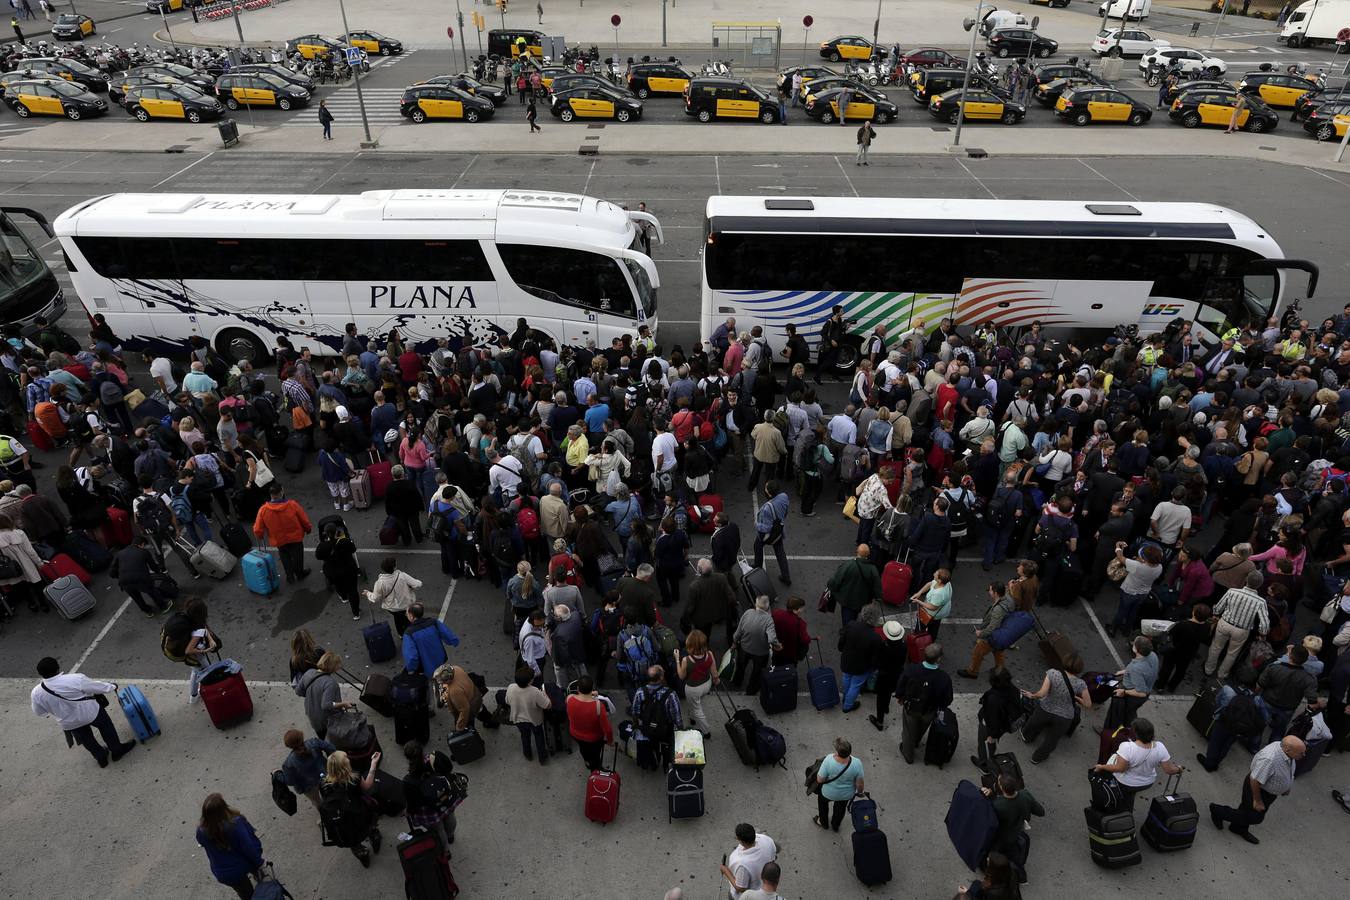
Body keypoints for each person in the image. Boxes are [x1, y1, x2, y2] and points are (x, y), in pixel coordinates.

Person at [30, 657, 135, 768]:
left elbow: (39, 712)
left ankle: (101, 757)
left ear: (40, 674)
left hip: (69, 722)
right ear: (57, 668)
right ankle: (116, 751)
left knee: (87, 739)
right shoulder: (75, 679)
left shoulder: (36, 693)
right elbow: (96, 688)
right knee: (106, 727)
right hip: (90, 712)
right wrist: (112, 686)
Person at [1209, 736, 1306, 844]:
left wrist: (1286, 787)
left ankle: (1238, 828)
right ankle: (1218, 811)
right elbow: (1255, 780)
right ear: (1287, 749)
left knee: (1246, 810)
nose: (1303, 755)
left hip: (1268, 792)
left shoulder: (1286, 751)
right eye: (1300, 753)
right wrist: (1257, 800)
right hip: (1256, 789)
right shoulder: (1270, 759)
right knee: (1255, 817)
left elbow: (1287, 769)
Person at [1092, 717, 1184, 809]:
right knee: (1130, 794)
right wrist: (1179, 769)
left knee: (1124, 798)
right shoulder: (1160, 747)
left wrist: (1102, 767)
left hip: (1125, 782)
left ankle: (1122, 811)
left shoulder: (1127, 747)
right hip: (1146, 783)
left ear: (1135, 733)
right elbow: (1169, 770)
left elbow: (1119, 768)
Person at [1019, 654, 1092, 764]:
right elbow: (1088, 704)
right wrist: (1077, 698)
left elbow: (1042, 693)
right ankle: (1037, 758)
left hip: (1046, 708)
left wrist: (1032, 695)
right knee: (1052, 739)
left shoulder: (1052, 673)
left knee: (1034, 723)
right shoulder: (1081, 684)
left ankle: (1027, 737)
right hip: (1065, 717)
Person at [319, 750, 383, 866]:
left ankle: (362, 855)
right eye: (346, 758)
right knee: (370, 825)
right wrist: (373, 763)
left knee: (353, 841)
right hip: (360, 813)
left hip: (342, 823)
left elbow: (326, 800)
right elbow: (368, 786)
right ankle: (374, 837)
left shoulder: (323, 783)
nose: (349, 759)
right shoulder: (354, 778)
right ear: (345, 765)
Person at [195, 794, 265, 899]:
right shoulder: (235, 824)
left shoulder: (201, 831)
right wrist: (260, 863)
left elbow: (203, 842)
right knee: (259, 875)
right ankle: (260, 879)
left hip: (225, 874)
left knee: (247, 894)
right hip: (243, 863)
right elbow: (248, 847)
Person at [896, 641, 955, 765]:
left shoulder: (911, 670)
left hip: (911, 708)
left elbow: (901, 686)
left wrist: (900, 697)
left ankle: (908, 754)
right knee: (921, 728)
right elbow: (948, 699)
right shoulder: (944, 678)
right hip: (929, 711)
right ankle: (916, 741)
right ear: (939, 659)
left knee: (908, 731)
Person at [1205, 570, 1270, 681]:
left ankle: (1208, 669)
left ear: (1246, 580)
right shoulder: (1261, 601)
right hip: (1241, 630)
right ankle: (1222, 674)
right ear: (1259, 585)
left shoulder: (1232, 591)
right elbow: (1264, 624)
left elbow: (1219, 607)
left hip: (1224, 624)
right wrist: (1263, 634)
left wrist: (1216, 614)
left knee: (1216, 647)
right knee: (1232, 653)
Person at [252, 483, 312, 585]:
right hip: (295, 538)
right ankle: (299, 574)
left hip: (279, 540)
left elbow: (257, 529)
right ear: (281, 492)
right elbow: (304, 520)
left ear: (271, 494)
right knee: (297, 557)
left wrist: (260, 535)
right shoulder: (292, 505)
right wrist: (308, 529)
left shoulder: (263, 510)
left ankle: (290, 577)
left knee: (285, 557)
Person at [981, 771, 1044, 869]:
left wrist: (987, 795)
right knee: (1014, 855)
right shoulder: (1025, 795)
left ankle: (991, 868)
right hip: (1017, 830)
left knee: (995, 853)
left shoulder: (998, 805)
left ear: (1001, 788)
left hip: (1001, 836)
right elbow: (1040, 812)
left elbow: (989, 820)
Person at [402, 741, 457, 850]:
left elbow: (413, 804)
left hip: (429, 810)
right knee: (450, 818)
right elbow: (448, 770)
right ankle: (450, 836)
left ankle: (446, 851)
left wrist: (408, 812)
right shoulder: (434, 760)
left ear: (408, 758)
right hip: (444, 798)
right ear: (422, 752)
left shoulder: (408, 781)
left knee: (438, 830)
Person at [957, 582, 1016, 679]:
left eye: (990, 590)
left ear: (996, 593)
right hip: (1002, 633)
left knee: (978, 652)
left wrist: (981, 633)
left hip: (993, 636)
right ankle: (1000, 671)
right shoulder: (1008, 599)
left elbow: (993, 627)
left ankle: (972, 672)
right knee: (998, 651)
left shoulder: (998, 609)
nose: (989, 592)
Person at [1107, 542, 1163, 637]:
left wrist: (1117, 546)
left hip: (1129, 591)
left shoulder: (1137, 566)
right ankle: (1126, 630)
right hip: (1143, 593)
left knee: (1122, 610)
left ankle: (1113, 628)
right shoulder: (1159, 568)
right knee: (1133, 611)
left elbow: (1120, 557)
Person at [631, 665, 682, 771]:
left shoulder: (640, 692)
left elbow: (635, 712)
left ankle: (654, 760)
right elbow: (676, 715)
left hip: (646, 727)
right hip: (665, 729)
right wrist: (680, 729)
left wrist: (636, 725)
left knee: (650, 744)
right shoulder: (671, 694)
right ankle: (666, 765)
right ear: (661, 678)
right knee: (666, 746)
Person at [1103, 635, 1158, 731]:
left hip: (1131, 695)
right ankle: (1129, 731)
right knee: (1129, 714)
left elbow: (1141, 692)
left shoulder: (1136, 669)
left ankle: (1108, 731)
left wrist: (1123, 692)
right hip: (1142, 696)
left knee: (1116, 713)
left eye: (1134, 644)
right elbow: (1144, 672)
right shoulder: (1153, 655)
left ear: (1137, 650)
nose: (1133, 643)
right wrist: (1126, 671)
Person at [973, 667, 1024, 771]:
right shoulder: (1012, 689)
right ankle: (989, 758)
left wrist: (993, 735)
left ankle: (984, 765)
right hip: (1004, 724)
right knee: (991, 742)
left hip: (990, 725)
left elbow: (992, 720)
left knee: (984, 742)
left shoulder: (993, 699)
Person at [1155, 602, 1212, 692]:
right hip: (1189, 653)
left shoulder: (1183, 624)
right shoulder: (1206, 627)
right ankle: (1172, 687)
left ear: (1194, 613)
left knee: (1166, 668)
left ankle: (1160, 686)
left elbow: (1171, 633)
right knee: (1180, 671)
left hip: (1174, 650)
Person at [295, 651, 352, 739]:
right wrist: (344, 704)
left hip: (312, 715)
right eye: (338, 665)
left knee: (323, 740)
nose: (339, 667)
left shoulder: (309, 672)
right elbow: (326, 705)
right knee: (334, 742)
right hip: (326, 721)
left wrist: (313, 695)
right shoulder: (330, 683)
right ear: (333, 667)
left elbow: (298, 691)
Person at [111, 535, 172, 617]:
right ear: (141, 544)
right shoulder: (144, 552)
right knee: (151, 591)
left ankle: (148, 611)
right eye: (144, 546)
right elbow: (153, 567)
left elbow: (111, 572)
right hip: (141, 579)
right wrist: (160, 572)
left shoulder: (120, 553)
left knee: (136, 597)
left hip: (124, 582)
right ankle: (163, 606)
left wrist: (121, 576)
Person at [812, 736, 864, 832]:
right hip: (845, 795)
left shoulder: (828, 760)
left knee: (823, 804)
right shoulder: (857, 763)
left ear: (837, 752)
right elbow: (860, 785)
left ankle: (823, 822)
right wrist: (860, 792)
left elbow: (819, 780)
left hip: (827, 793)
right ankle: (835, 825)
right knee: (840, 809)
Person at [731, 595, 780, 695]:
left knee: (741, 666)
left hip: (744, 648)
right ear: (767, 607)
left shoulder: (747, 613)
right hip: (761, 653)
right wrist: (777, 645)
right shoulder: (768, 620)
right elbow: (771, 638)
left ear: (756, 604)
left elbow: (738, 633)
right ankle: (751, 690)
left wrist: (735, 643)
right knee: (757, 672)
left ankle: (737, 682)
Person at [565, 674, 614, 770]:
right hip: (593, 738)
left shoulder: (569, 699)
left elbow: (577, 697)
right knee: (595, 755)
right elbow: (607, 728)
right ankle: (595, 770)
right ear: (592, 689)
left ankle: (587, 760)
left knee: (583, 749)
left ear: (578, 689)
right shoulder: (598, 706)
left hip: (575, 734)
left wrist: (589, 694)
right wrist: (610, 740)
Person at [838, 608, 883, 712]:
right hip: (861, 667)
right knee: (855, 685)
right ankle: (847, 706)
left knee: (846, 678)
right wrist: (873, 669)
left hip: (846, 661)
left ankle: (845, 696)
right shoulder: (875, 637)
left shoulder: (851, 625)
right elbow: (875, 658)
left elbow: (841, 643)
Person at [827, 544, 883, 627]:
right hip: (864, 602)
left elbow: (835, 581)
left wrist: (831, 588)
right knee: (862, 621)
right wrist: (878, 599)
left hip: (847, 601)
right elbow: (877, 588)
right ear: (868, 555)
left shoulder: (848, 565)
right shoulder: (873, 569)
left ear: (857, 552)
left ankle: (847, 634)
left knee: (847, 623)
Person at [675, 628, 717, 738]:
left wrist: (676, 660)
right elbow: (715, 674)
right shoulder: (710, 654)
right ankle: (692, 718)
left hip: (693, 688)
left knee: (697, 710)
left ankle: (706, 731)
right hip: (706, 684)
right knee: (696, 703)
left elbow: (681, 676)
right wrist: (716, 680)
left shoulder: (686, 660)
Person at [280, 729, 334, 814]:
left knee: (317, 801)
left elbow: (290, 781)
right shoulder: (314, 742)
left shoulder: (288, 763)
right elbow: (331, 748)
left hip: (307, 786)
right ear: (302, 737)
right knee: (331, 793)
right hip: (324, 774)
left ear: (289, 746)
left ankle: (325, 815)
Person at [718, 822, 778, 899]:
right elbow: (775, 850)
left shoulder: (743, 865)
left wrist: (725, 870)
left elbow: (741, 888)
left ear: (740, 840)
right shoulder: (766, 840)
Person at [402, 602, 461, 679]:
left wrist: (411, 668)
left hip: (426, 666)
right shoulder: (433, 622)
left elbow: (412, 657)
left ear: (411, 615)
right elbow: (448, 635)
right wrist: (454, 642)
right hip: (440, 659)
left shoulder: (409, 633)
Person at [506, 665, 551, 765]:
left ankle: (527, 754)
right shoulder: (535, 691)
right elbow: (548, 705)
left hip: (519, 720)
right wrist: (545, 694)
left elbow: (507, 701)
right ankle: (542, 757)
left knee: (524, 736)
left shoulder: (511, 687)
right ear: (529, 681)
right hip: (534, 720)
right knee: (539, 737)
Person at [365, 557, 421, 637]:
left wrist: (368, 593)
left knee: (397, 617)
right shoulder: (402, 576)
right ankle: (410, 634)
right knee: (407, 621)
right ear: (394, 567)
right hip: (405, 605)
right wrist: (411, 587)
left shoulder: (380, 582)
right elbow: (418, 584)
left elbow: (375, 598)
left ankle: (401, 633)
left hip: (392, 607)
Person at [317, 519, 361, 619]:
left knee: (338, 584)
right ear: (336, 531)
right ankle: (356, 613)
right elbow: (353, 549)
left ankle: (344, 597)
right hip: (348, 569)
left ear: (325, 533)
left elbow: (318, 556)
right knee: (352, 590)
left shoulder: (323, 546)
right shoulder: (344, 542)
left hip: (332, 571)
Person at [752, 480, 791, 585]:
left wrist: (757, 524)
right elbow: (786, 511)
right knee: (780, 552)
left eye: (765, 488)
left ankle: (758, 567)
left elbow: (766, 529)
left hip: (768, 534)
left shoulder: (767, 509)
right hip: (779, 531)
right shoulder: (784, 497)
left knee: (757, 546)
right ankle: (786, 576)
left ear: (769, 493)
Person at [432, 662, 483, 733]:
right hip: (474, 695)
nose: (439, 682)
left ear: (448, 680)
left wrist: (459, 727)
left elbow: (464, 710)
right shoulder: (456, 669)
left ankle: (470, 737)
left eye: (441, 681)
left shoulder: (454, 691)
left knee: (467, 726)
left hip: (470, 707)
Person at [912, 568, 953, 639]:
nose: (934, 573)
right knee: (934, 628)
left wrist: (919, 601)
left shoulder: (939, 594)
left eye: (936, 574)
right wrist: (919, 593)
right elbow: (930, 584)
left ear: (940, 581)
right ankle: (931, 641)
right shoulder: (946, 582)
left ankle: (918, 642)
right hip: (940, 613)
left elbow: (932, 607)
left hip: (931, 614)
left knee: (920, 628)